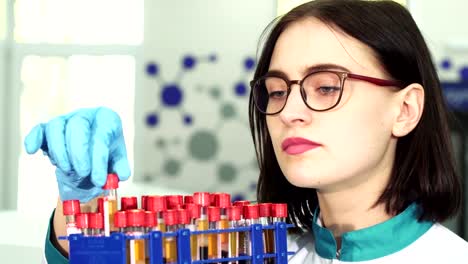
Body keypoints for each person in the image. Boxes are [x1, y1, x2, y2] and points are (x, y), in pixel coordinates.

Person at [24, 0, 468, 263]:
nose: (290, 110)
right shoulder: (242, 249)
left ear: (405, 109)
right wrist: (84, 221)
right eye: (275, 91)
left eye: (326, 86)